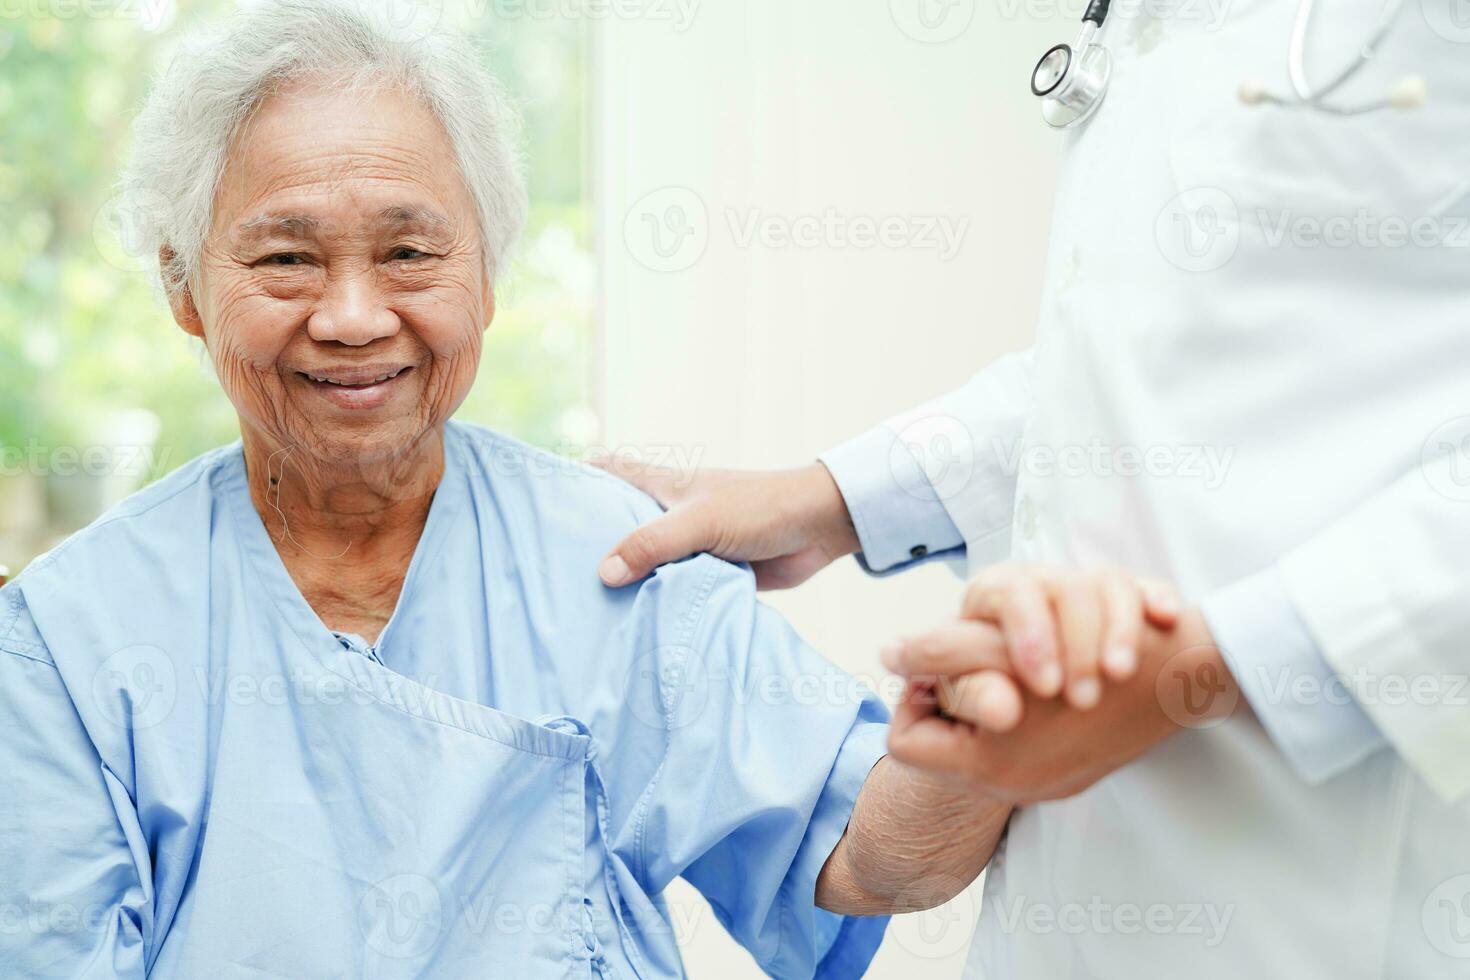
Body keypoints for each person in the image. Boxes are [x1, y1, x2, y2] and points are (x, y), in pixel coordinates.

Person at [0, 2, 1015, 975]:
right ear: (185, 285)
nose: (353, 315)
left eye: (408, 252)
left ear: (486, 275)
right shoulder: (66, 634)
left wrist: (973, 733)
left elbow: (870, 856)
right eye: (286, 257)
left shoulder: (616, 559)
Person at [595, 4, 1470, 977]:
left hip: (1332, 874)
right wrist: (829, 496)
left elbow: (875, 856)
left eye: (415, 252)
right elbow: (1136, 355)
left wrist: (1219, 662)